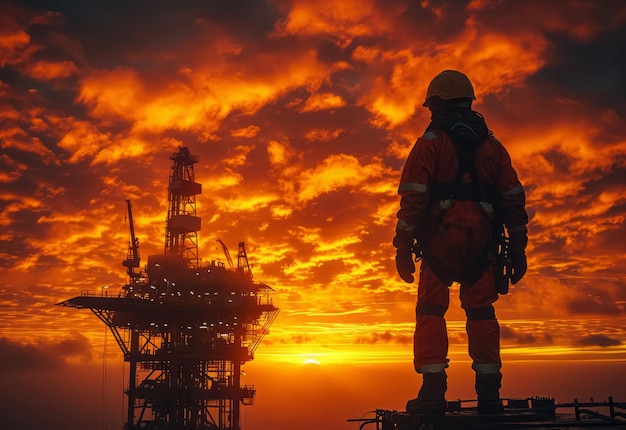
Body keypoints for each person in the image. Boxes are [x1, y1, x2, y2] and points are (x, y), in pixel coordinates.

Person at [393, 70, 528, 415]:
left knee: (430, 312)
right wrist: (518, 246)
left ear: (436, 104)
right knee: (481, 313)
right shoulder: (494, 148)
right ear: (468, 103)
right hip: (482, 246)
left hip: (439, 243)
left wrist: (404, 244)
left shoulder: (429, 145)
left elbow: (413, 196)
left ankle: (433, 392)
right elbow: (513, 198)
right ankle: (489, 396)